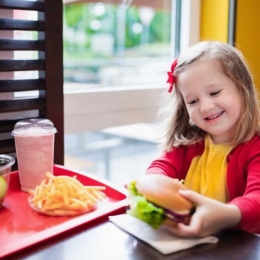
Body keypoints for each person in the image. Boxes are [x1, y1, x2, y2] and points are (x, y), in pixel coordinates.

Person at [144, 41, 260, 237]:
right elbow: (161, 167)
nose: (205, 107)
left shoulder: (254, 149)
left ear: (242, 88)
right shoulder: (188, 143)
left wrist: (228, 214)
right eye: (192, 101)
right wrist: (151, 184)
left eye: (214, 92)